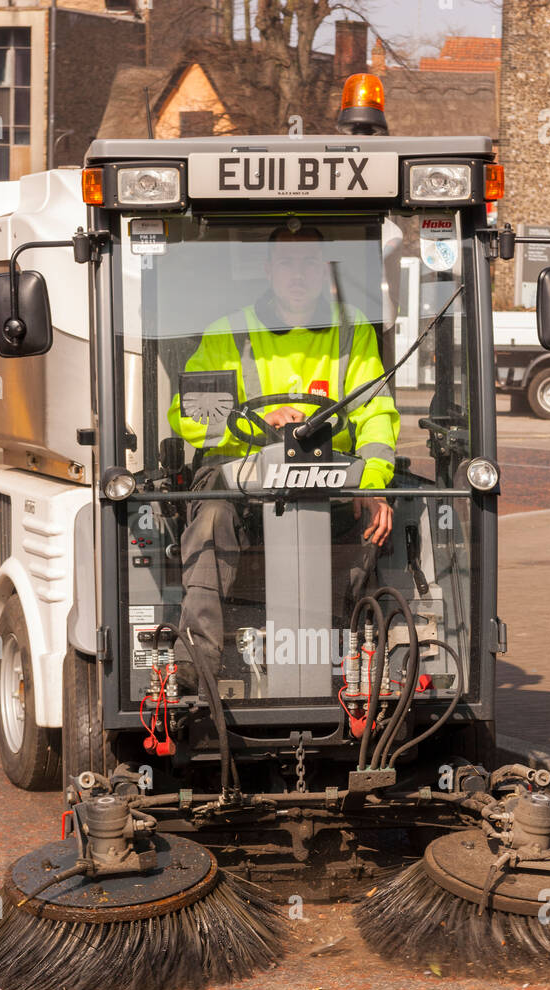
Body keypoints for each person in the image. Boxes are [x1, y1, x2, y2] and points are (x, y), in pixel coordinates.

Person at [167, 224, 400, 682]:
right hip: (238, 482)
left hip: (331, 480)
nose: (299, 273)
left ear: (324, 269)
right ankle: (197, 668)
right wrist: (253, 422)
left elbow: (376, 411)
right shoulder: (227, 333)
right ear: (269, 270)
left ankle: (345, 656)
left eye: (310, 262)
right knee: (212, 515)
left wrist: (372, 484)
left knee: (371, 522)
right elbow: (187, 412)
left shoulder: (352, 330)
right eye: (288, 263)